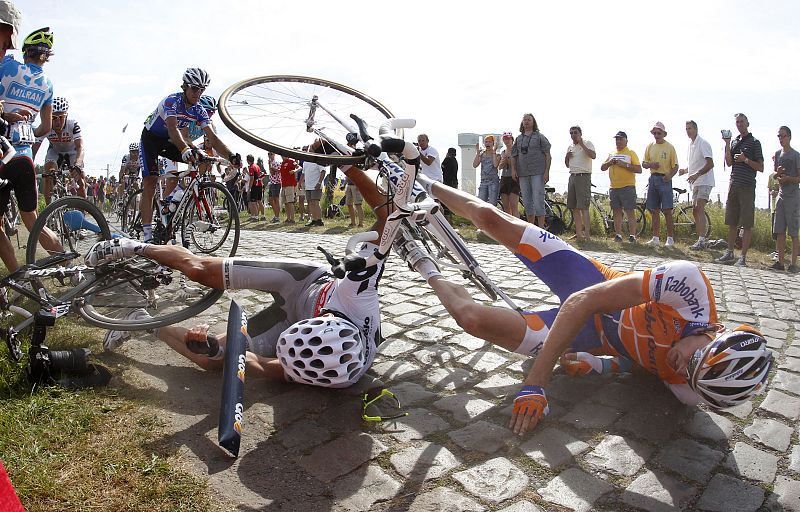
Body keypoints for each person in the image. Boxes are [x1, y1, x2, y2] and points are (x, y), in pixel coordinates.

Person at [403, 172, 773, 437]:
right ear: (717, 332)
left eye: (690, 376)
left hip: (589, 335)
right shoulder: (688, 284)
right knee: (490, 219)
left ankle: (421, 260)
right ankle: (422, 176)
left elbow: (643, 365)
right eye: (695, 359)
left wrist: (601, 365)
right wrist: (536, 382)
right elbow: (584, 300)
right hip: (591, 284)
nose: (683, 367)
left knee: (471, 318)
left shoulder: (689, 391)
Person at [86, 161, 393, 390]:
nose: (320, 314)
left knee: (210, 361)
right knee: (200, 271)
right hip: (302, 281)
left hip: (289, 324)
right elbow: (388, 216)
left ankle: (141, 320)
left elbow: (256, 364)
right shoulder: (358, 294)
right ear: (329, 320)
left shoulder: (319, 371)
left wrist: (214, 347)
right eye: (322, 317)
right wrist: (349, 165)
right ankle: (134, 247)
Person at [139, 68, 241, 242]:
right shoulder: (171, 101)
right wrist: (185, 150)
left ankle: (175, 198)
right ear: (185, 87)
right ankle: (147, 235)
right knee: (151, 181)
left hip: (171, 142)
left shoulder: (199, 110)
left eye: (202, 90)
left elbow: (213, 138)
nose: (198, 93)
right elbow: (173, 129)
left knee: (201, 159)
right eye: (195, 88)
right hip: (152, 139)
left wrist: (231, 156)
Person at [0, 27, 62, 272]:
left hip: (3, 153)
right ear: (46, 57)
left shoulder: (7, 66)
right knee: (33, 221)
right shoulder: (48, 84)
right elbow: (45, 127)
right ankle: (68, 266)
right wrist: (26, 125)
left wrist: (8, 115)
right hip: (24, 155)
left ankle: (16, 277)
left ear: (25, 51)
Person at [716, 113, 764, 267]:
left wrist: (746, 160)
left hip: (747, 186)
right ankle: (729, 252)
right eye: (737, 122)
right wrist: (727, 143)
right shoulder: (735, 141)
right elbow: (729, 163)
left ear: (747, 123)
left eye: (742, 122)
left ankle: (743, 257)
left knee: (747, 223)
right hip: (734, 184)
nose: (739, 124)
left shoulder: (755, 142)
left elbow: (761, 167)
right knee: (732, 221)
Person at [32, 97, 87, 203]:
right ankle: (49, 213)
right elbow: (34, 149)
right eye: (53, 117)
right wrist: (28, 166)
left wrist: (78, 164)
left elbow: (80, 147)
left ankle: (82, 212)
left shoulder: (73, 124)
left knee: (81, 181)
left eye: (61, 117)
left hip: (72, 151)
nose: (57, 121)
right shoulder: (46, 126)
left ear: (66, 115)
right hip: (55, 152)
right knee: (48, 174)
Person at [678, 120, 715, 250]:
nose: (688, 131)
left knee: (699, 207)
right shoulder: (690, 145)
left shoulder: (703, 143)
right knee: (694, 209)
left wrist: (696, 174)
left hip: (704, 180)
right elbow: (695, 164)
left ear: (696, 129)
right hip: (695, 182)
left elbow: (710, 164)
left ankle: (702, 239)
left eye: (690, 128)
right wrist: (685, 170)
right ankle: (700, 238)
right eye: (686, 128)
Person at [642, 122, 679, 247]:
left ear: (664, 134)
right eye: (655, 133)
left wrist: (669, 176)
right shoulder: (650, 146)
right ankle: (656, 238)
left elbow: (676, 166)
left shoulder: (670, 147)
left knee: (667, 210)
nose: (657, 135)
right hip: (653, 178)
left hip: (665, 179)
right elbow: (644, 163)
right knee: (654, 210)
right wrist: (651, 165)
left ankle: (670, 238)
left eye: (659, 133)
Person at [600, 131, 641, 243]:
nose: (618, 141)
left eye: (620, 139)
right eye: (616, 139)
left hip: (627, 186)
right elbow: (602, 167)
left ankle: (632, 236)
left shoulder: (631, 152)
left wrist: (625, 165)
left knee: (629, 211)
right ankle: (618, 234)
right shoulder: (611, 153)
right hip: (614, 187)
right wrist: (609, 163)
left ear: (626, 141)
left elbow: (639, 169)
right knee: (616, 211)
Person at [511, 113, 551, 227]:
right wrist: (513, 169)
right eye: (525, 120)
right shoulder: (519, 139)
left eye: (529, 120)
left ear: (533, 122)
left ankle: (541, 227)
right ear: (522, 122)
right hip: (523, 174)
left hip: (537, 173)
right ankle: (531, 227)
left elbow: (548, 155)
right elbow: (514, 155)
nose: (527, 122)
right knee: (527, 202)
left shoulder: (540, 137)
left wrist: (546, 172)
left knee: (538, 200)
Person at [771, 126, 800, 272]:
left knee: (793, 231)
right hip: (781, 196)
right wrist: (779, 174)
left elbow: (799, 178)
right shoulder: (777, 154)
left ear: (789, 137)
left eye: (783, 136)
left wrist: (789, 178)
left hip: (793, 196)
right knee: (779, 230)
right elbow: (775, 176)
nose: (781, 139)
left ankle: (793, 264)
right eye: (779, 136)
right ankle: (780, 262)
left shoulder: (796, 155)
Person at [565, 126, 596, 241]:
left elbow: (593, 156)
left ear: (580, 133)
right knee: (574, 207)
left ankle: (587, 235)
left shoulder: (587, 143)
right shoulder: (570, 147)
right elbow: (567, 164)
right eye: (571, 133)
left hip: (583, 176)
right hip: (572, 176)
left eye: (575, 133)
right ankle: (578, 234)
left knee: (583, 207)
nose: (573, 135)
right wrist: (566, 157)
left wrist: (581, 144)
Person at [498, 132, 521, 218]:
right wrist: (503, 162)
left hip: (514, 178)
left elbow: (518, 165)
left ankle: (517, 226)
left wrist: (509, 161)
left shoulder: (516, 151)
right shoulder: (503, 152)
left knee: (513, 206)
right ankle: (508, 226)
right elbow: (499, 167)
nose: (506, 141)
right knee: (506, 207)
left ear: (512, 140)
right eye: (504, 139)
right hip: (504, 178)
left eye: (508, 138)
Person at [474, 135, 500, 205]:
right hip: (483, 181)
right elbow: (475, 165)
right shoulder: (482, 154)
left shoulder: (497, 155)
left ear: (493, 143)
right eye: (486, 142)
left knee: (492, 205)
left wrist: (494, 152)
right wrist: (477, 153)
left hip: (493, 182)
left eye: (490, 142)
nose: (487, 143)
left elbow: (495, 165)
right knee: (481, 204)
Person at [303, 159, 326, 227]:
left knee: (315, 202)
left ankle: (319, 220)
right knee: (310, 203)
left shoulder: (318, 161)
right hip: (308, 186)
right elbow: (303, 173)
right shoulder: (305, 162)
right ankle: (314, 219)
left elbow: (323, 171)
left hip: (316, 186)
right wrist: (301, 182)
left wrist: (319, 183)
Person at [278, 156, 298, 224]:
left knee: (290, 202)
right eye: (282, 155)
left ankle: (292, 219)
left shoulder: (291, 161)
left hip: (290, 185)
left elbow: (300, 167)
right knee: (286, 203)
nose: (283, 157)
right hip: (283, 185)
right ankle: (288, 218)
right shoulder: (282, 163)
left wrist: (294, 170)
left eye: (284, 155)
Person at [245, 155, 265, 222]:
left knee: (253, 202)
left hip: (255, 185)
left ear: (248, 160)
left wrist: (249, 188)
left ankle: (256, 217)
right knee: (259, 201)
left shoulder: (251, 167)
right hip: (260, 184)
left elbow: (252, 178)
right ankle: (263, 215)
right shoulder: (257, 166)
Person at [266, 152, 282, 222]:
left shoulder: (276, 162)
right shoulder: (271, 163)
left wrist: (270, 166)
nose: (270, 155)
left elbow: (274, 172)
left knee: (276, 199)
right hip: (272, 182)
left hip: (277, 182)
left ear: (274, 155)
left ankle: (277, 216)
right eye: (269, 154)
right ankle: (276, 215)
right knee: (270, 199)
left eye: (271, 154)